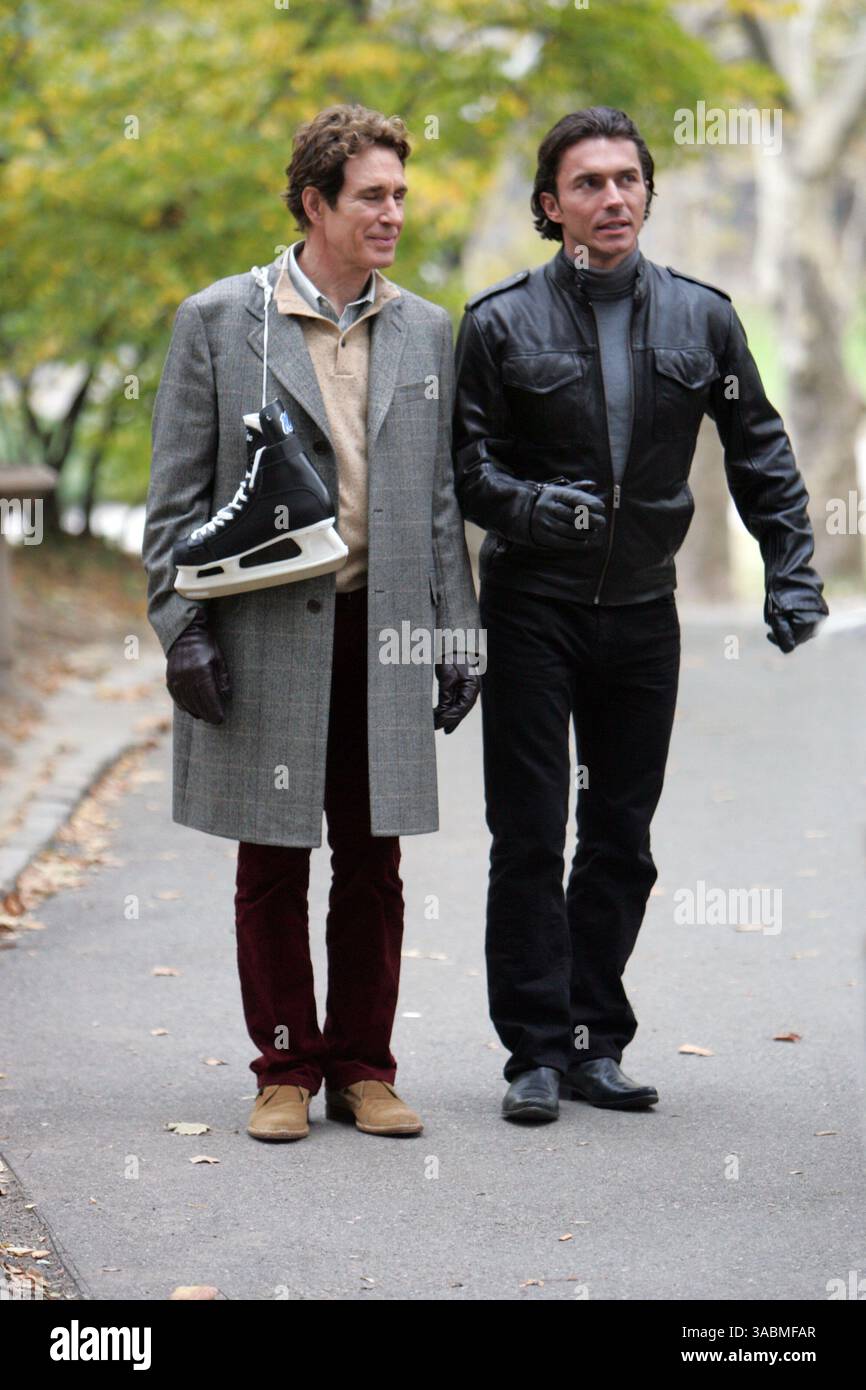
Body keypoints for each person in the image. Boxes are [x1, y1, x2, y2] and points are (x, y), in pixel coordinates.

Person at [452, 105, 828, 1124]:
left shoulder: (700, 319)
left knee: (619, 834)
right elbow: (464, 470)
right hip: (531, 607)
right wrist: (531, 508)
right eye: (586, 183)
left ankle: (590, 1039)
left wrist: (789, 572)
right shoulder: (496, 323)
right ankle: (531, 1051)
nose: (610, 197)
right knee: (527, 833)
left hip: (640, 613)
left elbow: (760, 451)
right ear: (549, 205)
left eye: (625, 179)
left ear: (645, 193)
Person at [143, 104, 480, 1143]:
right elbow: (174, 500)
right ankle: (284, 1067)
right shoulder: (217, 321)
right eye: (371, 196)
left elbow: (435, 501)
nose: (391, 214)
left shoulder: (425, 326)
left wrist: (456, 632)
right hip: (262, 630)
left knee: (373, 863)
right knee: (273, 859)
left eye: (398, 196)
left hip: (382, 631)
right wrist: (179, 626)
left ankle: (364, 1069)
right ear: (313, 203)